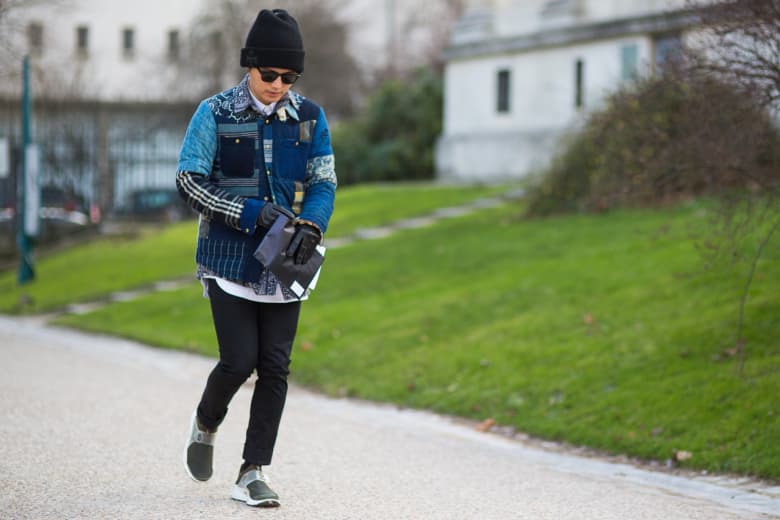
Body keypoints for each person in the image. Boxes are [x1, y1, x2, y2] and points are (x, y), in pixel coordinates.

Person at [175, 8, 336, 508]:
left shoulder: (309, 118)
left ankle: (252, 472)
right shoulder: (215, 112)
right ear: (250, 65)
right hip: (227, 259)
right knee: (239, 360)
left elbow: (323, 180)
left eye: (289, 77)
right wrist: (249, 213)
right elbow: (189, 181)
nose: (278, 85)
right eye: (270, 75)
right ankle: (206, 422)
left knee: (275, 366)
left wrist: (310, 224)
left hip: (285, 262)